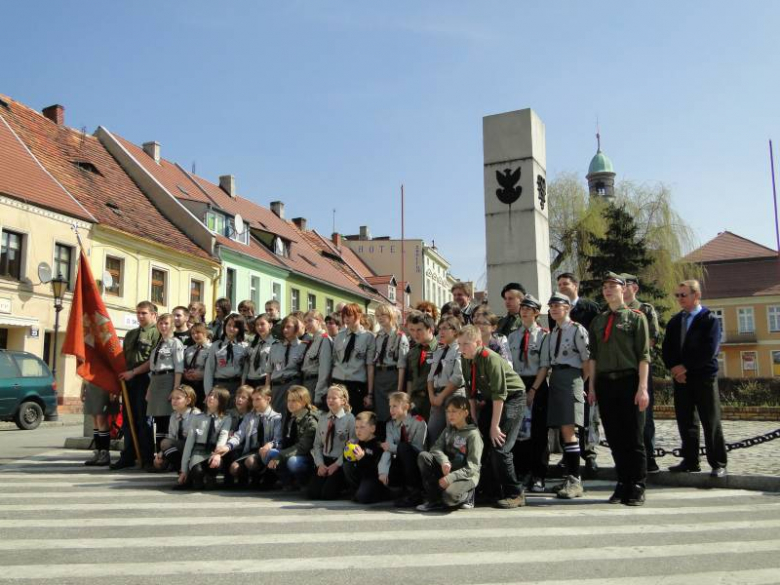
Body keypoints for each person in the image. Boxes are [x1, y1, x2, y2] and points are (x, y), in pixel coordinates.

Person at [587, 272, 651, 506]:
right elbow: (593, 357)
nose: (608, 290)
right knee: (614, 437)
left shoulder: (635, 318)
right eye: (605, 287)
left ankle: (637, 484)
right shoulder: (599, 321)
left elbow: (644, 356)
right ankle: (623, 481)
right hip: (605, 383)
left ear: (623, 290)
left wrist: (642, 388)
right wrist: (592, 387)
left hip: (629, 381)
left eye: (613, 286)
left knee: (633, 436)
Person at [662, 279, 727, 478]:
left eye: (684, 295)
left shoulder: (709, 320)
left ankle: (718, 463)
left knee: (710, 420)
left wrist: (686, 367)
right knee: (686, 420)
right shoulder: (675, 321)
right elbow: (667, 348)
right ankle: (690, 461)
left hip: (704, 377)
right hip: (681, 379)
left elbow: (710, 350)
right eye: (678, 295)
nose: (680, 299)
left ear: (696, 295)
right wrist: (674, 369)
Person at [460, 324, 526, 509]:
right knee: (483, 446)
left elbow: (500, 394)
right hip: (492, 400)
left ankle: (515, 492)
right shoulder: (466, 359)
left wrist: (494, 426)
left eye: (466, 344)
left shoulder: (490, 358)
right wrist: (474, 418)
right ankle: (491, 491)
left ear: (478, 343)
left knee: (500, 446)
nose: (461, 348)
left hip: (511, 398)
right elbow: (470, 390)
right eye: (459, 344)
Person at [542, 293, 591, 499]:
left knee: (570, 430)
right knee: (564, 431)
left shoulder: (577, 330)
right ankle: (569, 477)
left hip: (571, 377)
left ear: (568, 307)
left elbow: (587, 360)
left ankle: (574, 479)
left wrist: (581, 382)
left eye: (558, 305)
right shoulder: (552, 333)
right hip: (556, 378)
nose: (553, 309)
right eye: (551, 306)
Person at [555, 272, 601, 475]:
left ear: (576, 285)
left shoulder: (589, 308)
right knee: (568, 417)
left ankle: (590, 455)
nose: (562, 286)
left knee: (588, 415)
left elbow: (596, 336)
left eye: (566, 283)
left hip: (587, 366)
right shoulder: (555, 311)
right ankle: (568, 454)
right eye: (559, 284)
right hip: (567, 371)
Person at [507, 294, 550, 493]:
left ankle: (539, 474)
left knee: (539, 432)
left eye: (529, 308)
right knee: (519, 431)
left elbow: (544, 365)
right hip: (517, 384)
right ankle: (523, 471)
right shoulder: (513, 336)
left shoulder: (543, 335)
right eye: (522, 307)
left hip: (537, 383)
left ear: (536, 312)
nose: (524, 311)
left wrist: (533, 389)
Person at [622, 274, 662, 474]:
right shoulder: (612, 311)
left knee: (644, 416)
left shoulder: (645, 309)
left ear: (634, 288)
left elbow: (653, 338)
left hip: (639, 368)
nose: (620, 288)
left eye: (624, 284)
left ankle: (649, 457)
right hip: (620, 371)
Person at [113, 301, 161, 470]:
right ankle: (128, 455)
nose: (140, 316)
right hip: (129, 379)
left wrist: (134, 373)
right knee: (128, 419)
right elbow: (124, 358)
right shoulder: (131, 334)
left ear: (153, 315)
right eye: (138, 313)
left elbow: (153, 360)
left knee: (143, 420)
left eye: (144, 313)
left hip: (145, 378)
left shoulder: (157, 334)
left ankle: (146, 457)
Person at [416, 395, 483, 511]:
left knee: (449, 498)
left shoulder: (473, 435)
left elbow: (473, 467)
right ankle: (434, 499)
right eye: (448, 411)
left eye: (454, 411)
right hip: (448, 471)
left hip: (466, 476)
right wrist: (444, 461)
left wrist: (451, 478)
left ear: (465, 413)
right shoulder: (448, 430)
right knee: (424, 457)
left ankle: (468, 495)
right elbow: (435, 448)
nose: (450, 415)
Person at [218, 386, 282, 488]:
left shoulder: (277, 417)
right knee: (234, 468)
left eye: (258, 399)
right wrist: (228, 446)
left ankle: (269, 476)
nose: (254, 403)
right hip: (252, 451)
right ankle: (249, 478)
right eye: (253, 400)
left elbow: (278, 439)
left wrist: (270, 444)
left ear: (268, 399)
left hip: (268, 452)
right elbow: (240, 434)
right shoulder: (249, 416)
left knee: (251, 461)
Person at [146, 313, 185, 461]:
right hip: (155, 381)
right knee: (157, 420)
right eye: (161, 323)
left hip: (168, 380)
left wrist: (175, 389)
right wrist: (149, 389)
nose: (163, 326)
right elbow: (152, 368)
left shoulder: (175, 343)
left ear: (172, 325)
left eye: (166, 323)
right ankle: (159, 458)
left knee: (166, 421)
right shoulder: (158, 345)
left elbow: (178, 367)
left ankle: (166, 457)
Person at [306, 385, 356, 500]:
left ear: (343, 401)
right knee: (312, 493)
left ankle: (344, 486)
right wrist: (320, 464)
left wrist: (337, 465)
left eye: (334, 398)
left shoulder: (350, 419)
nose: (330, 400)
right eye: (328, 398)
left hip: (340, 462)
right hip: (325, 461)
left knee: (327, 495)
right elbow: (317, 445)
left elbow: (352, 446)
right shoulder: (323, 419)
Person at [178, 386, 232, 490]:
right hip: (199, 451)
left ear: (222, 401)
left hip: (214, 451)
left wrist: (217, 455)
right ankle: (196, 478)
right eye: (210, 395)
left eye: (215, 397)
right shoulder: (197, 418)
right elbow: (189, 443)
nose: (211, 398)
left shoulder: (226, 418)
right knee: (197, 472)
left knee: (215, 466)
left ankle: (211, 477)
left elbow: (223, 437)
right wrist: (183, 470)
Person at [379, 391, 427, 507]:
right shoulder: (389, 425)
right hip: (400, 463)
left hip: (416, 465)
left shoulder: (419, 422)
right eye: (390, 406)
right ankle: (401, 491)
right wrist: (383, 470)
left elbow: (418, 449)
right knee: (393, 457)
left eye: (395, 406)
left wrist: (393, 447)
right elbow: (387, 449)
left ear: (406, 406)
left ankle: (415, 494)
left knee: (404, 447)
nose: (391, 410)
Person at [267, 386, 319, 490]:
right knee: (270, 453)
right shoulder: (291, 417)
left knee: (293, 462)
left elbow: (302, 448)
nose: (290, 403)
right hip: (291, 452)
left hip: (308, 457)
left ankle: (304, 482)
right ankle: (288, 482)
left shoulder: (311, 421)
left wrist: (280, 456)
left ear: (304, 402)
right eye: (289, 400)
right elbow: (286, 440)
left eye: (294, 401)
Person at [331, 303, 376, 415]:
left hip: (356, 384)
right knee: (337, 416)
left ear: (359, 315)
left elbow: (370, 366)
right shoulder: (339, 336)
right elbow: (334, 361)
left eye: (349, 316)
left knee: (355, 416)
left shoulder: (368, 337)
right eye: (344, 316)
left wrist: (369, 393)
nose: (346, 319)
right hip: (338, 382)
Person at [427, 316, 465, 443]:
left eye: (444, 329)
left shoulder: (460, 349)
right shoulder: (439, 350)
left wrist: (441, 396)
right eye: (439, 329)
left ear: (454, 331)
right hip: (437, 398)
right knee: (432, 434)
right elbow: (430, 376)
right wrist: (432, 396)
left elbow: (458, 378)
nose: (440, 332)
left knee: (453, 436)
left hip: (453, 395)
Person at [372, 304, 410, 426]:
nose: (380, 318)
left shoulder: (400, 337)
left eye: (383, 315)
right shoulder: (378, 336)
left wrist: (399, 389)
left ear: (391, 316)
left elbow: (402, 365)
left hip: (393, 375)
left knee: (392, 410)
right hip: (379, 376)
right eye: (377, 316)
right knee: (380, 411)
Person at [343, 411, 390, 504]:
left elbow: (375, 471)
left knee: (363, 497)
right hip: (363, 477)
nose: (358, 431)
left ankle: (386, 493)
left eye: (362, 427)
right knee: (347, 465)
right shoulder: (359, 442)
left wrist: (362, 458)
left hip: (375, 479)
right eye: (356, 427)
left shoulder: (378, 445)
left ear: (372, 428)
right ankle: (356, 490)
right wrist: (347, 450)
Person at [204, 313, 249, 403]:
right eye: (229, 325)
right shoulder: (216, 346)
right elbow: (209, 370)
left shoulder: (245, 347)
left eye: (235, 326)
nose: (231, 328)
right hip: (219, 385)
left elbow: (245, 370)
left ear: (240, 329)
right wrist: (208, 393)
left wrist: (242, 388)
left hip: (236, 385)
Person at [265, 315, 306, 414]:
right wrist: (267, 389)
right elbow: (269, 370)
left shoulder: (303, 346)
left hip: (293, 385)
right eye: (283, 327)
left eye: (288, 327)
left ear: (296, 328)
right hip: (277, 386)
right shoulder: (275, 347)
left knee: (293, 414)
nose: (285, 330)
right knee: (276, 415)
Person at [154, 384, 200, 472]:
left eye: (178, 398)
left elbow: (202, 434)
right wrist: (161, 452)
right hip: (179, 448)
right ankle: (179, 465)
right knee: (158, 463)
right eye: (172, 398)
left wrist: (192, 433)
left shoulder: (196, 414)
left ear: (188, 401)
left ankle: (182, 468)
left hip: (193, 448)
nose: (173, 401)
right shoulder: (173, 416)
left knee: (165, 443)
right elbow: (171, 437)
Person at [405, 311, 438, 420]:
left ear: (430, 329)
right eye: (412, 330)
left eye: (419, 330)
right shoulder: (412, 352)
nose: (415, 334)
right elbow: (410, 378)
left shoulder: (441, 349)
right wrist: (409, 400)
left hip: (433, 400)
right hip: (415, 400)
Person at [81, 380, 119, 467]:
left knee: (101, 418)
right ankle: (98, 451)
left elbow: (111, 371)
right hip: (91, 385)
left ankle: (104, 453)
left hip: (104, 386)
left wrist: (113, 390)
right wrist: (83, 388)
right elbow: (86, 370)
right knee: (95, 420)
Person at [301, 310, 334, 408]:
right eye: (305, 322)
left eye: (310, 321)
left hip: (315, 384)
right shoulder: (313, 340)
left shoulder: (324, 339)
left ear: (319, 321)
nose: (307, 324)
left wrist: (319, 393)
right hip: (307, 382)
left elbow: (325, 369)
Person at [244, 313, 277, 389]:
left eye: (262, 324)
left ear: (270, 325)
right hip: (250, 381)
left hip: (265, 380)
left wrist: (267, 386)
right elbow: (247, 365)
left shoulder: (275, 344)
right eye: (257, 325)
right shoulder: (252, 344)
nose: (259, 327)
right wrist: (243, 383)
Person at [183, 323, 211, 409]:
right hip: (190, 385)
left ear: (205, 333)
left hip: (204, 386)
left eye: (198, 332)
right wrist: (186, 373)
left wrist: (201, 374)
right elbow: (183, 365)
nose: (195, 335)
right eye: (192, 333)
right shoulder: (189, 350)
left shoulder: (212, 348)